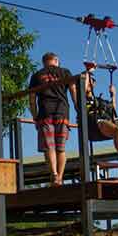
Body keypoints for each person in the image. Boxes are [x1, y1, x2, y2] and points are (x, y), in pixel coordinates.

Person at [28, 52, 77, 186]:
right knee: (61, 148)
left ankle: (54, 175)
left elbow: (31, 99)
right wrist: (78, 108)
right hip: (62, 112)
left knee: (49, 147)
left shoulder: (37, 75)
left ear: (44, 62)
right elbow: (73, 91)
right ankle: (60, 178)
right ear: (56, 60)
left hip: (45, 113)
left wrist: (35, 116)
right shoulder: (65, 72)